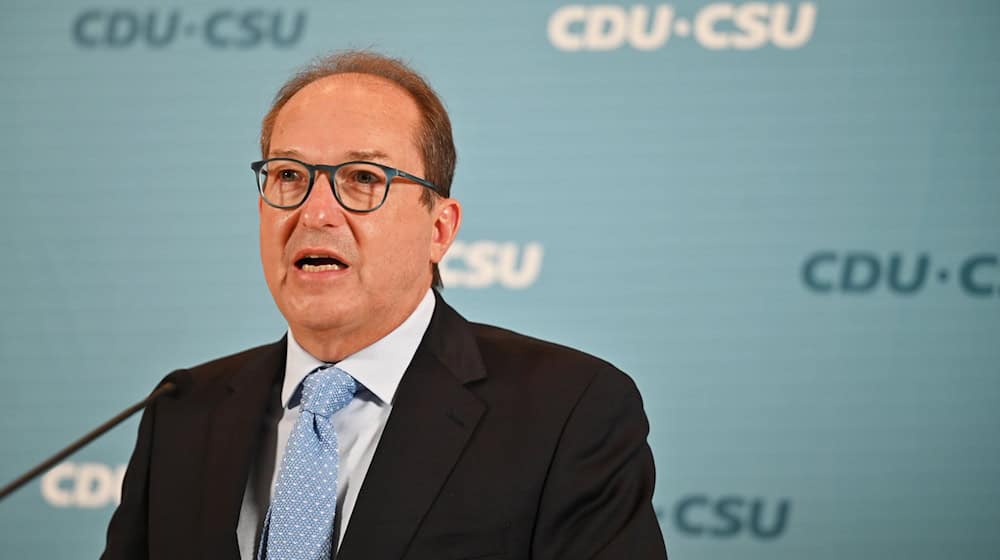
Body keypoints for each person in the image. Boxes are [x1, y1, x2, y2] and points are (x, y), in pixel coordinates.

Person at [102, 50, 668, 560]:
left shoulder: (569, 411)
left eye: (363, 178)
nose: (315, 212)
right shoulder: (182, 410)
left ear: (439, 229)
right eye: (289, 176)